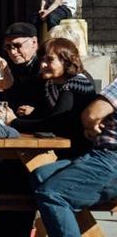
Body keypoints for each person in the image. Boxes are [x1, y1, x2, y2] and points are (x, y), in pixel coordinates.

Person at [32, 77, 117, 237]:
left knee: (52, 194)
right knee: (41, 176)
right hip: (102, 155)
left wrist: (90, 126)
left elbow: (92, 114)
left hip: (111, 159)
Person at [0, 37, 95, 157]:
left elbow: (53, 124)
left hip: (78, 155)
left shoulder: (75, 84)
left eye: (49, 60)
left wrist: (14, 122)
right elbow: (45, 115)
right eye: (42, 60)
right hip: (63, 149)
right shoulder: (54, 83)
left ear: (67, 61)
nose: (43, 65)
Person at [0, 22, 43, 111]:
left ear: (34, 42)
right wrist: (5, 73)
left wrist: (36, 111)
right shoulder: (9, 65)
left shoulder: (45, 65)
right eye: (8, 47)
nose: (13, 52)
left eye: (17, 45)